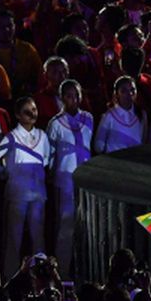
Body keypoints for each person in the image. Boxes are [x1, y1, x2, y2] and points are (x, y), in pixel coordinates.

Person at [0, 97, 50, 278]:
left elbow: (47, 160)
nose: (32, 113)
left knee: (38, 238)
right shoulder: (11, 137)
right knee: (14, 239)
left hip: (37, 195)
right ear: (18, 115)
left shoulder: (42, 136)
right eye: (27, 110)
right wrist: (5, 173)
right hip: (17, 195)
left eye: (34, 109)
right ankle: (10, 279)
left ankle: (41, 278)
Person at [46, 79, 92, 270]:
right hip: (64, 178)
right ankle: (62, 269)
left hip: (85, 178)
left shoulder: (88, 118)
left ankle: (82, 265)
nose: (73, 99)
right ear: (62, 97)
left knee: (85, 222)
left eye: (76, 95)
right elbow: (50, 153)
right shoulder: (55, 123)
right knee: (65, 224)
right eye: (69, 96)